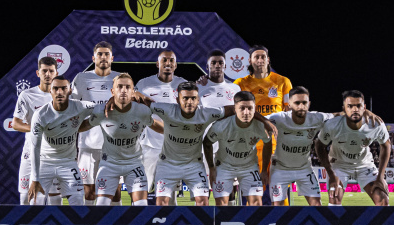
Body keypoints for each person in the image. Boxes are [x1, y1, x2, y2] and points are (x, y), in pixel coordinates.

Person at [144, 81, 276, 206]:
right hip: (168, 164)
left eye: (193, 98)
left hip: (194, 165)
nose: (189, 102)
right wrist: (135, 93)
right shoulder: (167, 109)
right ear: (178, 100)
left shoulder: (206, 113)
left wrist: (264, 120)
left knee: (203, 201)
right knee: (161, 203)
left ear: (198, 99)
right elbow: (143, 103)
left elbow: (235, 108)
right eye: (185, 98)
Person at [80, 73, 164, 206]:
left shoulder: (142, 111)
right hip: (109, 164)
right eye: (119, 87)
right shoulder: (101, 112)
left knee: (142, 205)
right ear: (112, 91)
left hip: (134, 164)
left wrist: (179, 131)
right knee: (101, 205)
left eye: (127, 87)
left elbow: (159, 127)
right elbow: (82, 126)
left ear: (133, 92)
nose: (123, 90)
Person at [234, 45, 292, 205]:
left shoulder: (282, 82)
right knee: (254, 192)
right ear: (250, 61)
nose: (260, 60)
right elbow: (237, 110)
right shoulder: (240, 83)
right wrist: (264, 120)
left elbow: (288, 111)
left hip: (276, 145)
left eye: (263, 56)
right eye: (256, 57)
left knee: (278, 190)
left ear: (268, 59)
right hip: (250, 144)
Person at [27, 76, 96, 206]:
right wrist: (35, 179)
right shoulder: (40, 115)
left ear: (70, 90)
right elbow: (35, 147)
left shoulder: (80, 107)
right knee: (35, 203)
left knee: (78, 204)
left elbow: (101, 108)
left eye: (63, 88)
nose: (59, 92)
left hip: (68, 163)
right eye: (56, 88)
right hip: (44, 163)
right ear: (50, 91)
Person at [314, 90, 391, 206]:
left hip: (364, 165)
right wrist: (330, 173)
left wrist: (380, 176)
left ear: (364, 107)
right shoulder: (333, 124)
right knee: (335, 196)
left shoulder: (375, 124)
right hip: (339, 165)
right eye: (350, 106)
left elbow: (386, 145)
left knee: (382, 199)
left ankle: (382, 224)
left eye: (358, 106)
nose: (355, 109)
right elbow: (319, 145)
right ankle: (335, 224)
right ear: (344, 109)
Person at [71, 41, 121, 205]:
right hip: (88, 145)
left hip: (114, 145)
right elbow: (72, 108)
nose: (103, 57)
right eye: (100, 54)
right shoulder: (82, 78)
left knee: (115, 194)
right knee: (90, 194)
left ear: (112, 58)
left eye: (107, 54)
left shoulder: (119, 79)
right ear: (93, 58)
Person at [136, 50, 187, 205]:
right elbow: (133, 99)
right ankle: (138, 220)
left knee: (168, 192)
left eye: (171, 60)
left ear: (175, 65)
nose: (168, 63)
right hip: (149, 146)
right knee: (141, 187)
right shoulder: (144, 84)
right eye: (164, 60)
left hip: (173, 147)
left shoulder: (183, 84)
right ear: (157, 64)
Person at [203, 91, 271, 206]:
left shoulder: (260, 126)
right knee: (221, 205)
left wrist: (264, 170)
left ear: (255, 108)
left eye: (250, 108)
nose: (246, 112)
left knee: (257, 203)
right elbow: (207, 143)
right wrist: (211, 167)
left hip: (249, 166)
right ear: (235, 109)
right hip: (224, 166)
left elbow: (268, 143)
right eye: (242, 108)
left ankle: (252, 224)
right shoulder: (221, 126)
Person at [12, 56, 61, 205]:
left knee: (55, 198)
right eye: (44, 71)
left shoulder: (64, 96)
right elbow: (15, 123)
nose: (47, 74)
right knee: (26, 197)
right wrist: (37, 129)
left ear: (56, 74)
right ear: (37, 73)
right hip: (30, 152)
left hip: (55, 153)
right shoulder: (27, 95)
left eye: (51, 71)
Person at [198, 49, 241, 205]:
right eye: (213, 63)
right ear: (208, 65)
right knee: (202, 196)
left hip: (229, 147)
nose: (217, 65)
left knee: (228, 195)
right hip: (204, 147)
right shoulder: (199, 88)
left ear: (225, 66)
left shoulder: (235, 89)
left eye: (220, 63)